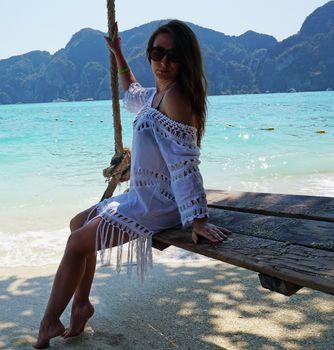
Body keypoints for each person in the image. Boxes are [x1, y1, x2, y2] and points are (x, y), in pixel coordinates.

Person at [33, 19, 231, 348]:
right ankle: (81, 305)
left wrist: (197, 219)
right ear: (150, 54)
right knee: (76, 225)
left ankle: (49, 322)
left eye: (173, 55)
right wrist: (118, 54)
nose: (164, 61)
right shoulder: (157, 95)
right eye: (157, 52)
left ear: (186, 60)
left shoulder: (177, 98)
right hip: (142, 196)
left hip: (159, 205)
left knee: (76, 244)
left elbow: (185, 167)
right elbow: (131, 91)